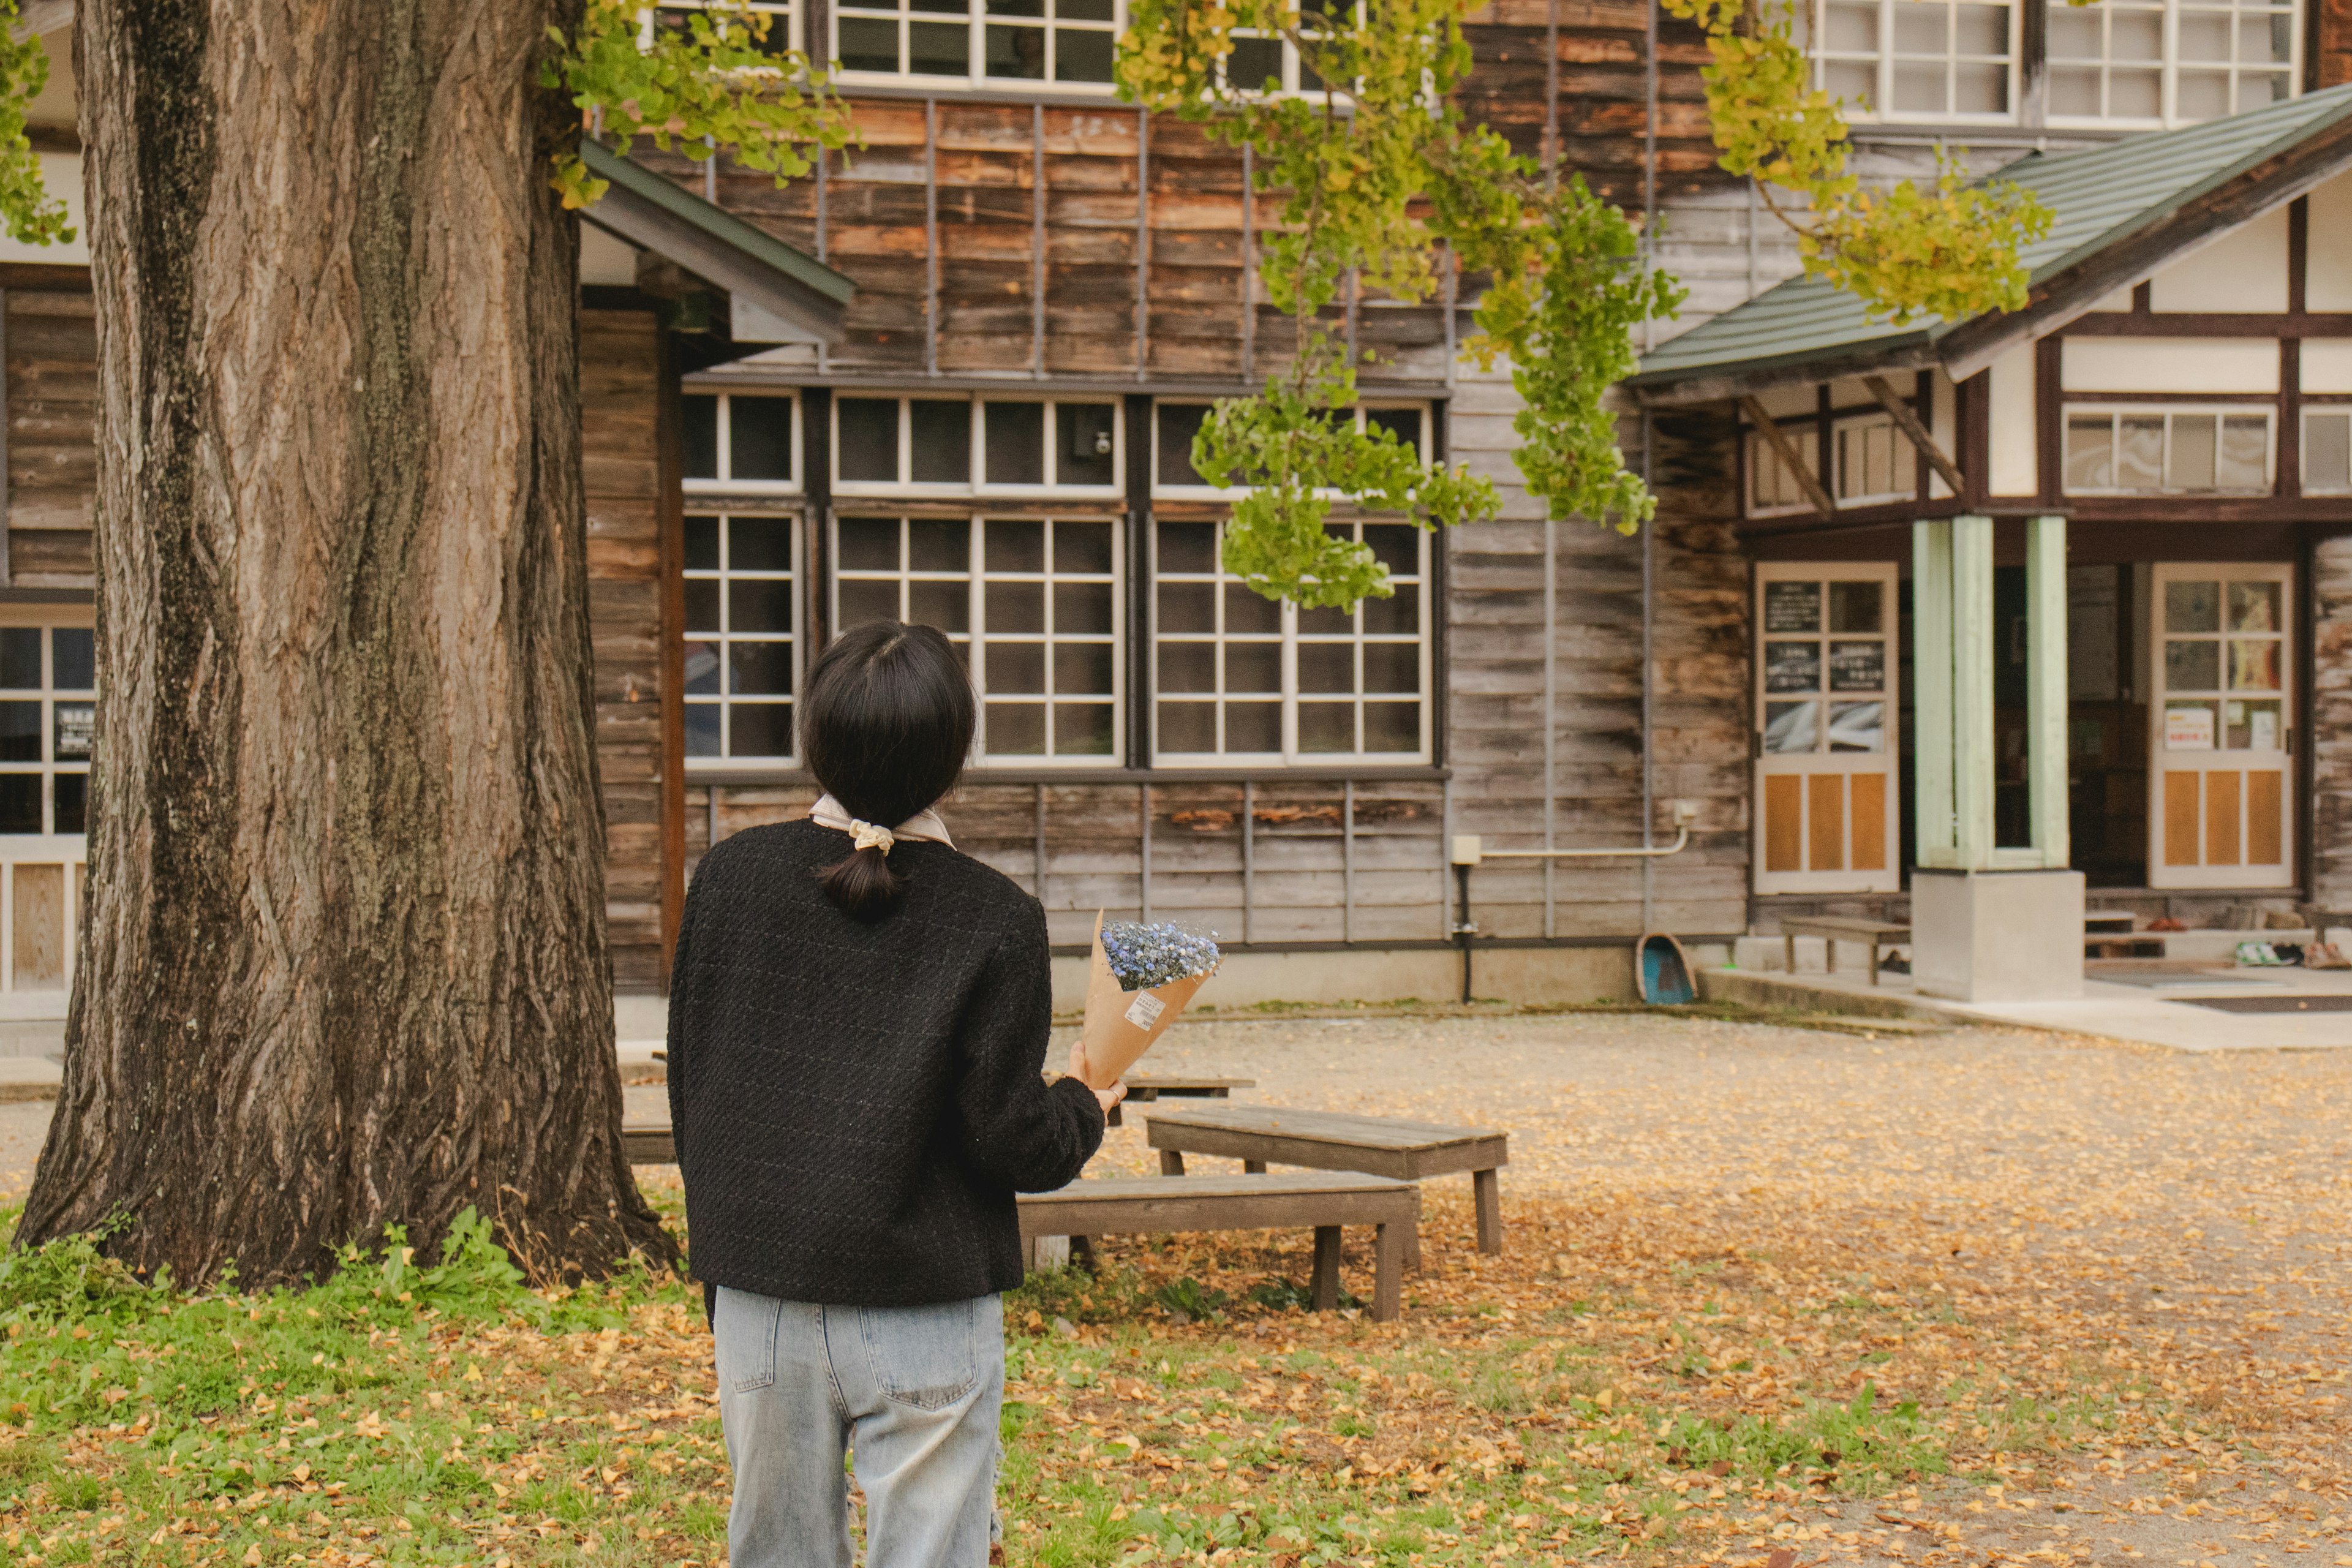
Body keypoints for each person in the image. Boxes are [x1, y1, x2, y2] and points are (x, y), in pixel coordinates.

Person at [666, 619, 1123, 1568]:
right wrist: (1086, 1098)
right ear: (956, 756)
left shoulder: (729, 881)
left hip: (762, 1293)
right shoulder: (997, 919)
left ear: (815, 738)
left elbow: (696, 1084)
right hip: (925, 1307)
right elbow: (1013, 1141)